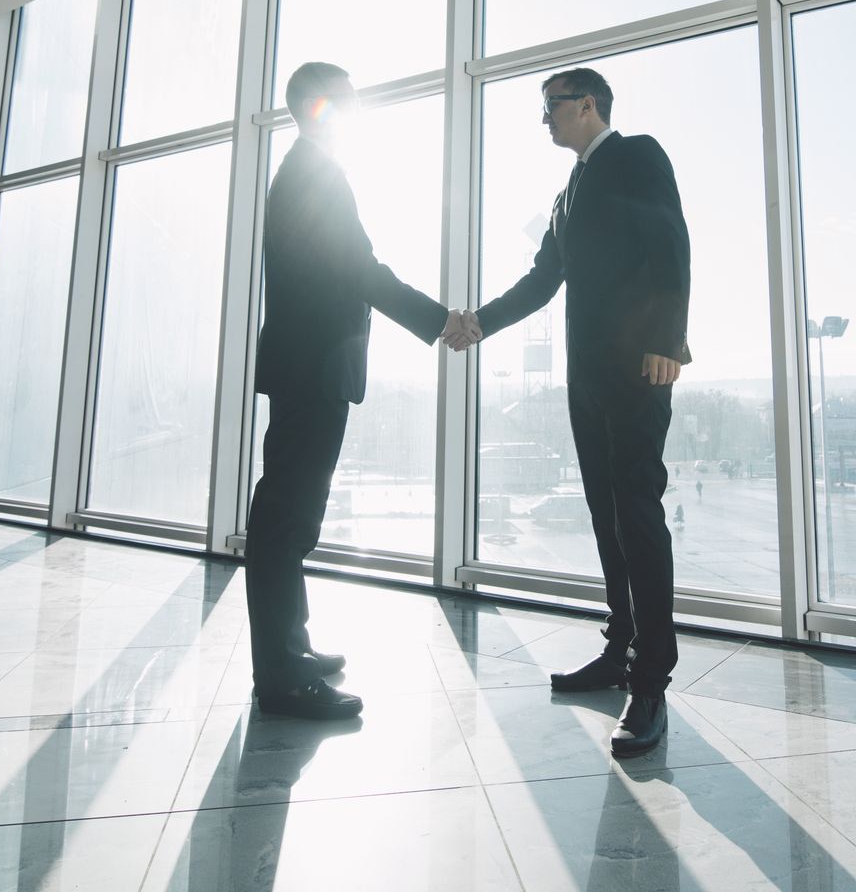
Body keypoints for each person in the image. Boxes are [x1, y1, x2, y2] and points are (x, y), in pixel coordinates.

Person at [447, 67, 690, 758]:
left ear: (588, 105)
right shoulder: (567, 193)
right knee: (604, 511)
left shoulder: (638, 155)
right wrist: (477, 323)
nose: (543, 120)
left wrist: (667, 341)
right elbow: (542, 280)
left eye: (551, 107)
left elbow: (672, 243)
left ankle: (651, 682)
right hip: (585, 379)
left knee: (637, 513)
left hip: (641, 368)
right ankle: (620, 649)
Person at [250, 61, 475, 719]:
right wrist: (441, 321)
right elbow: (360, 271)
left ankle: (289, 651)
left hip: (310, 366)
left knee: (291, 519)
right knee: (285, 520)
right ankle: (283, 678)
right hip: (313, 367)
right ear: (321, 107)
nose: (355, 110)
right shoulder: (314, 174)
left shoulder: (308, 170)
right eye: (346, 100)